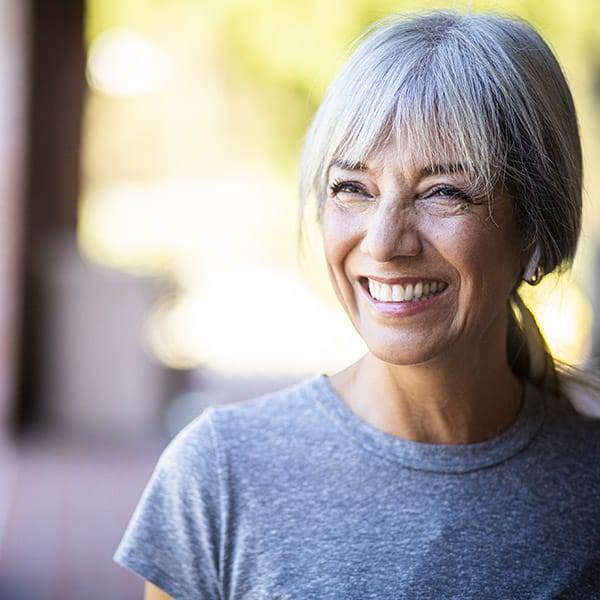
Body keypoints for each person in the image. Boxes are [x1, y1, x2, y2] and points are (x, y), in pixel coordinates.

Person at [115, 9, 600, 599]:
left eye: (443, 192)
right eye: (353, 188)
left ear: (535, 229)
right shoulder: (217, 476)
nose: (382, 242)